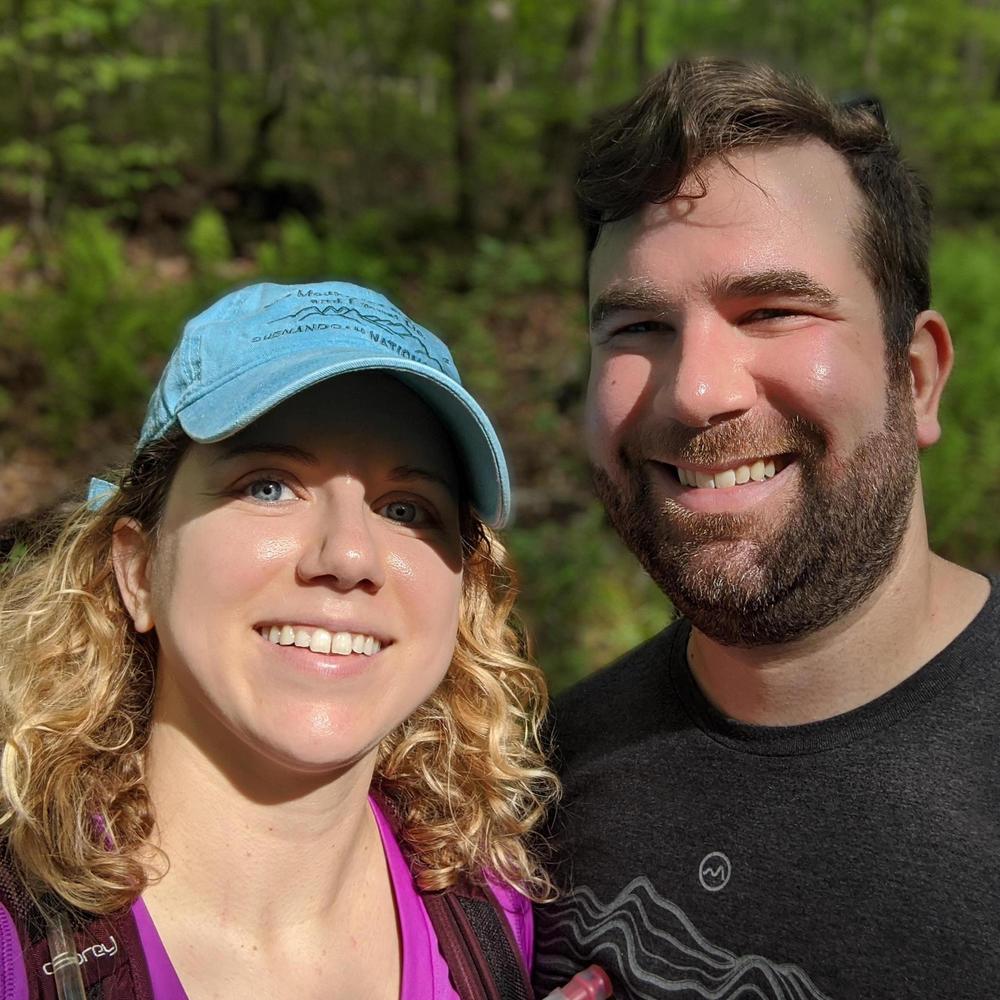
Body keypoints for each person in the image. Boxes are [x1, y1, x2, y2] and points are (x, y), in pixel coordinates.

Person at [532, 58, 1000, 999]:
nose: (697, 392)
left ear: (916, 377)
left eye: (775, 310)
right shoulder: (532, 787)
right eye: (638, 328)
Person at [0, 281, 559, 999]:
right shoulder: (17, 950)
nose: (349, 555)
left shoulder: (497, 917)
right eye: (268, 486)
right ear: (138, 570)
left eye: (405, 508)